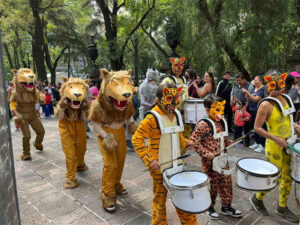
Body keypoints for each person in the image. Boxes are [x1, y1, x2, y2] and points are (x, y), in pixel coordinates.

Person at [132, 83, 198, 225]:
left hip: (177, 165)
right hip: (159, 169)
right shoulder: (151, 118)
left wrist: (186, 143)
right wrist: (150, 160)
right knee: (160, 201)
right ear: (159, 99)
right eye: (170, 98)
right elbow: (136, 139)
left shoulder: (176, 115)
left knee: (183, 200)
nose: (174, 103)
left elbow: (178, 135)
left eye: (176, 99)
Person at [249, 70, 300, 223]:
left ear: (284, 85)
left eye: (280, 85)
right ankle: (257, 199)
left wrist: (296, 126)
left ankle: (282, 206)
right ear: (268, 85)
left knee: (288, 177)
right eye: (273, 85)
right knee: (275, 178)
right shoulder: (265, 104)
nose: (277, 89)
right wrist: (277, 139)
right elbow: (257, 128)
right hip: (274, 146)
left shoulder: (286, 99)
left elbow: (288, 119)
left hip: (289, 144)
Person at [188, 94, 242, 220]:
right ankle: (209, 206)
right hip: (210, 162)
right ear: (207, 109)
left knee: (226, 182)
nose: (221, 113)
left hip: (223, 158)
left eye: (221, 110)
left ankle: (226, 206)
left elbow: (222, 138)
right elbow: (193, 144)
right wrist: (207, 154)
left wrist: (227, 143)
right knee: (213, 184)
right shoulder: (202, 124)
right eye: (217, 110)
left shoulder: (221, 122)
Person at [242, 74, 266, 152]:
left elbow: (256, 99)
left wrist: (247, 92)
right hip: (252, 109)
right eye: (254, 80)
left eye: (256, 80)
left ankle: (262, 144)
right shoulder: (254, 88)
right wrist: (246, 104)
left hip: (259, 110)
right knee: (254, 127)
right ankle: (256, 141)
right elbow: (250, 98)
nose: (254, 81)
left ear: (261, 81)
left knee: (261, 127)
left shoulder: (263, 89)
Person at [231, 72, 251, 146]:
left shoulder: (249, 85)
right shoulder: (235, 85)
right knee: (237, 127)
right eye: (237, 80)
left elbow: (250, 96)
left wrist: (246, 105)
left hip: (245, 108)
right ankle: (237, 141)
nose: (238, 82)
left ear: (243, 79)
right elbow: (232, 93)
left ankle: (246, 142)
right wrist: (232, 100)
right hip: (237, 107)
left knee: (246, 126)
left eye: (239, 80)